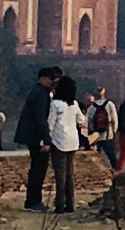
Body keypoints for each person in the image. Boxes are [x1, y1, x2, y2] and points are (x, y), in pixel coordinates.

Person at [14, 67, 60, 212]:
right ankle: (33, 202)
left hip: (32, 135)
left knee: (37, 169)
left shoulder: (38, 92)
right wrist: (46, 139)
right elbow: (40, 119)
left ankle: (33, 200)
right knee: (38, 170)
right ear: (43, 78)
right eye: (52, 80)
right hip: (36, 136)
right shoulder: (40, 94)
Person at [47, 74, 82, 214]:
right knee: (70, 173)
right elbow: (81, 120)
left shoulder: (55, 104)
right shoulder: (74, 104)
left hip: (59, 141)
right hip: (73, 141)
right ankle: (70, 203)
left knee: (60, 174)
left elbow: (50, 124)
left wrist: (46, 140)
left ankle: (60, 204)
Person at [88, 86, 119, 169]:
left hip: (96, 137)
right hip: (108, 135)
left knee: (95, 159)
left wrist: (92, 133)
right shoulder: (110, 104)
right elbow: (114, 119)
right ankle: (116, 172)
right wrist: (114, 131)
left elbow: (90, 122)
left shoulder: (91, 107)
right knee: (112, 157)